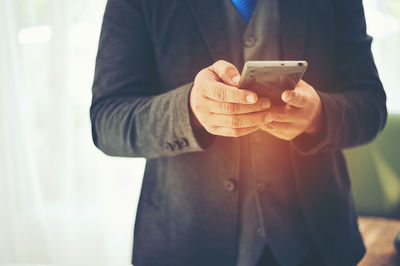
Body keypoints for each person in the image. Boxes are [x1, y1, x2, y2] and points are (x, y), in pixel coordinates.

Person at [90, 0, 387, 265]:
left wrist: (319, 116)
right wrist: (187, 111)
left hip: (318, 242)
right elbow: (107, 122)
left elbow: (371, 108)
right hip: (185, 244)